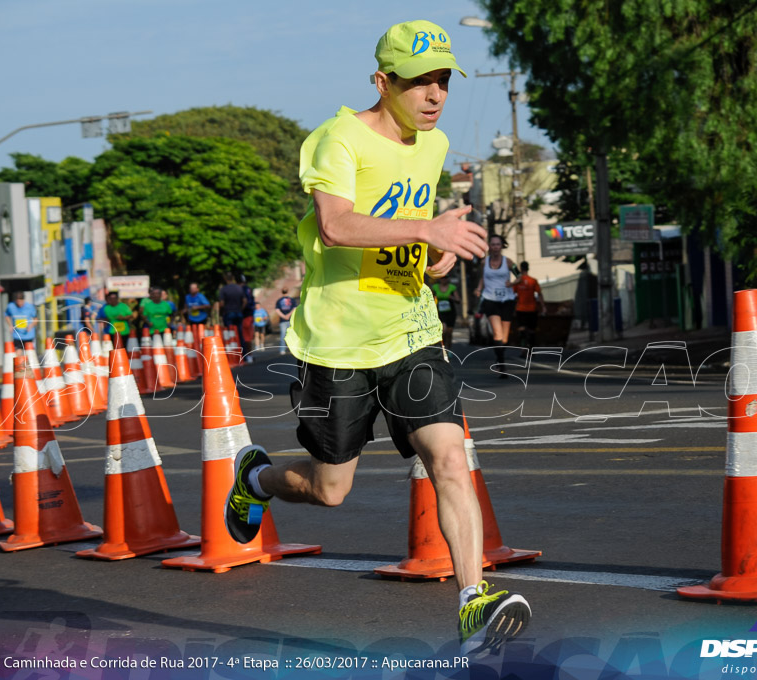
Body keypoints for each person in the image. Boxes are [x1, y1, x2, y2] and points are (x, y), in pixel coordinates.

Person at [223, 20, 529, 655]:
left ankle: (474, 602)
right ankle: (255, 480)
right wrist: (423, 230)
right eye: (420, 82)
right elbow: (335, 226)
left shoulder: (434, 143)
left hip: (410, 328)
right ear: (383, 82)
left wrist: (438, 251)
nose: (434, 94)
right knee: (330, 489)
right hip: (336, 341)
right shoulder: (336, 140)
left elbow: (420, 229)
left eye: (443, 80)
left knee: (449, 456)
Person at [473, 234, 517, 374]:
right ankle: (502, 365)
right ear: (489, 247)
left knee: (504, 338)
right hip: (490, 299)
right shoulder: (484, 262)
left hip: (507, 300)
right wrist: (479, 288)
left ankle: (499, 359)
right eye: (493, 244)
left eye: (498, 244)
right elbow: (483, 277)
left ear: (501, 246)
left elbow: (520, 275)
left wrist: (512, 283)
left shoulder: (508, 262)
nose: (495, 247)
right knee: (497, 333)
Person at [511, 261, 545, 351]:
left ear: (521, 269)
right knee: (532, 330)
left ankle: (523, 350)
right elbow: (540, 294)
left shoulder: (517, 282)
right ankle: (531, 349)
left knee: (521, 329)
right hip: (532, 309)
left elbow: (512, 294)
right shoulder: (533, 281)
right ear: (528, 268)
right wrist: (543, 306)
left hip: (520, 309)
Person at [216, 272, 249, 356]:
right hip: (238, 313)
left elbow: (222, 303)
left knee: (230, 335)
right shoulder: (239, 288)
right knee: (240, 334)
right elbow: (245, 301)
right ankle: (243, 355)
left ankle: (233, 355)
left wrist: (221, 312)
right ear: (233, 278)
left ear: (225, 279)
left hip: (228, 313)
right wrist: (240, 309)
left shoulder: (223, 289)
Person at [431, 275, 460, 348]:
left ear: (448, 279)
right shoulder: (435, 287)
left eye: (445, 278)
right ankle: (443, 347)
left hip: (450, 313)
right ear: (440, 279)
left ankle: (449, 349)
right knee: (443, 331)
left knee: (449, 332)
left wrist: (451, 297)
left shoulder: (452, 288)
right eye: (442, 278)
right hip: (440, 312)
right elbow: (430, 298)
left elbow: (458, 300)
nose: (443, 280)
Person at [274, 288, 297, 355]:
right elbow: (294, 308)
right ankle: (292, 349)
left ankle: (282, 350)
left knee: (283, 335)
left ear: (282, 292)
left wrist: (284, 316)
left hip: (282, 320)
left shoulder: (279, 300)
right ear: (288, 291)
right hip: (291, 319)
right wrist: (288, 315)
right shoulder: (292, 300)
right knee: (292, 334)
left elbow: (277, 310)